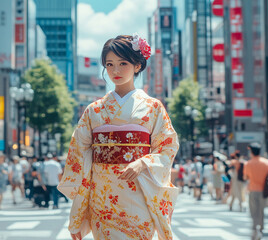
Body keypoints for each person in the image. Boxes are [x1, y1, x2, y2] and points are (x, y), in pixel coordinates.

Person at [58, 34, 179, 240]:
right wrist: (78, 214)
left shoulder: (153, 107)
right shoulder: (94, 110)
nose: (115, 70)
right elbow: (79, 153)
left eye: (123, 63)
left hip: (139, 193)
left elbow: (167, 147)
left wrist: (143, 162)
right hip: (102, 198)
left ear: (137, 65)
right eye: (109, 64)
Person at [244, 142, 268, 240]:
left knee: (253, 212)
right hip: (264, 191)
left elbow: (245, 177)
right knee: (261, 211)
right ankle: (261, 229)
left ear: (251, 152)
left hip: (252, 190)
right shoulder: (267, 163)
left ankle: (254, 229)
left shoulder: (248, 164)